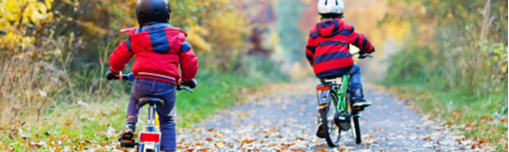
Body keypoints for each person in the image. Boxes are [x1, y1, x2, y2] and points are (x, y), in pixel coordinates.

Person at [106, 0, 198, 151]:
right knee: (168, 120)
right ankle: (168, 149)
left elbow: (118, 56)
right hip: (167, 85)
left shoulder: (135, 36)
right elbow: (190, 61)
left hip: (143, 82)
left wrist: (115, 71)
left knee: (135, 98)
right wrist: (186, 79)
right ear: (166, 14)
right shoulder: (177, 37)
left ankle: (130, 125)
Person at [305, 0, 375, 137]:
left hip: (320, 67)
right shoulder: (345, 29)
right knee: (355, 70)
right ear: (340, 13)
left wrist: (314, 63)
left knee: (324, 85)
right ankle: (357, 98)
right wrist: (368, 49)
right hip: (343, 64)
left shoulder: (314, 32)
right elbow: (360, 40)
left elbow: (309, 52)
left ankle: (322, 118)